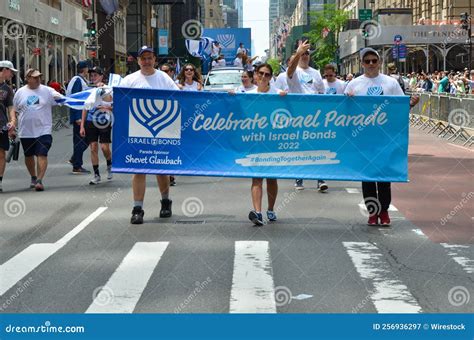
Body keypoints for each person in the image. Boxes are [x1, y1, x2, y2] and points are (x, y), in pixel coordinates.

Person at [344, 48, 419, 226]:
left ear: (379, 63)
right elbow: (344, 112)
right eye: (367, 61)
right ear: (362, 63)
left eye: (374, 61)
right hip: (363, 138)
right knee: (368, 178)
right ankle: (372, 213)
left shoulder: (390, 83)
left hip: (386, 138)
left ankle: (384, 211)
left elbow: (400, 107)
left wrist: (411, 104)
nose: (371, 64)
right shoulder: (354, 84)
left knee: (384, 177)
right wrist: (348, 100)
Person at [119, 46, 180, 224]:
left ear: (155, 60)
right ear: (138, 61)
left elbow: (179, 98)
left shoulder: (163, 78)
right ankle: (137, 209)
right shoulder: (129, 80)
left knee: (160, 169)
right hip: (137, 131)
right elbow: (118, 99)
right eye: (143, 58)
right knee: (139, 169)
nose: (146, 61)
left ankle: (166, 202)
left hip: (162, 129)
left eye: (150, 58)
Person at [246, 63, 286, 226]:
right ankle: (258, 212)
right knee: (256, 177)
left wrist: (286, 99)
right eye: (260, 73)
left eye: (267, 74)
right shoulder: (247, 94)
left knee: (271, 178)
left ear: (271, 77)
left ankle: (270, 209)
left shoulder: (278, 93)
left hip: (273, 141)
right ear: (255, 74)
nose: (263, 77)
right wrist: (231, 96)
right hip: (255, 141)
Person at [286, 39, 327, 192]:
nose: (304, 56)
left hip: (314, 116)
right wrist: (298, 52)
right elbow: (290, 69)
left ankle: (320, 179)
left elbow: (322, 95)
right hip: (298, 116)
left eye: (307, 54)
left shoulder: (316, 73)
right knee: (300, 146)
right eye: (302, 54)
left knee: (318, 146)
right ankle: (299, 178)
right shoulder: (293, 72)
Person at [12, 69, 62, 191]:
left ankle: (39, 180)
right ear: (27, 78)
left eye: (39, 77)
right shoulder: (20, 92)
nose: (38, 79)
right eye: (35, 77)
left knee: (42, 153)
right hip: (26, 131)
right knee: (29, 156)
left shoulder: (47, 90)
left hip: (43, 130)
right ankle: (33, 176)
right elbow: (14, 109)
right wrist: (13, 122)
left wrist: (59, 96)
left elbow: (63, 99)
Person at [79, 66, 113, 185]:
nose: (93, 78)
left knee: (104, 148)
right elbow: (85, 108)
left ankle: (109, 165)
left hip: (104, 121)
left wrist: (105, 106)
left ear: (101, 76)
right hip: (90, 121)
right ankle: (96, 174)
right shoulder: (89, 90)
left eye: (95, 75)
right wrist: (82, 125)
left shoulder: (108, 89)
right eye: (91, 76)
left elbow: (113, 106)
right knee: (93, 148)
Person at [66, 60, 90, 174]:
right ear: (84, 69)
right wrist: (77, 117)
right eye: (87, 68)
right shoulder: (77, 81)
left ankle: (75, 159)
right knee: (80, 140)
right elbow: (75, 99)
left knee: (85, 139)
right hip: (79, 115)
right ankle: (77, 165)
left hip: (82, 114)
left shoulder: (79, 80)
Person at [0, 60, 18, 192]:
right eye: (11, 71)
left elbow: (11, 107)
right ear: (4, 70)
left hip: (2, 126)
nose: (12, 74)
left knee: (1, 154)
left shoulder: (7, 89)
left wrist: (13, 120)